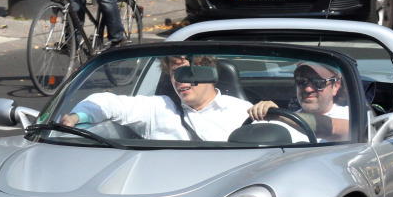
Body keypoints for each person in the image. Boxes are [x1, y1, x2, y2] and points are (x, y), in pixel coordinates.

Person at [60, 55, 252, 140]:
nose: (178, 80)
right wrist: (79, 117)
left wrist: (275, 114)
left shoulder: (241, 111)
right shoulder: (159, 107)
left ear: (208, 72)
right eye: (173, 73)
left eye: (186, 72)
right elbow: (106, 102)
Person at [247, 62, 352, 142]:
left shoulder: (353, 117)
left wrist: (280, 115)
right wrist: (264, 112)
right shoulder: (277, 124)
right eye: (302, 81)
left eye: (318, 83)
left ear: (336, 86)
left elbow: (330, 129)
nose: (308, 89)